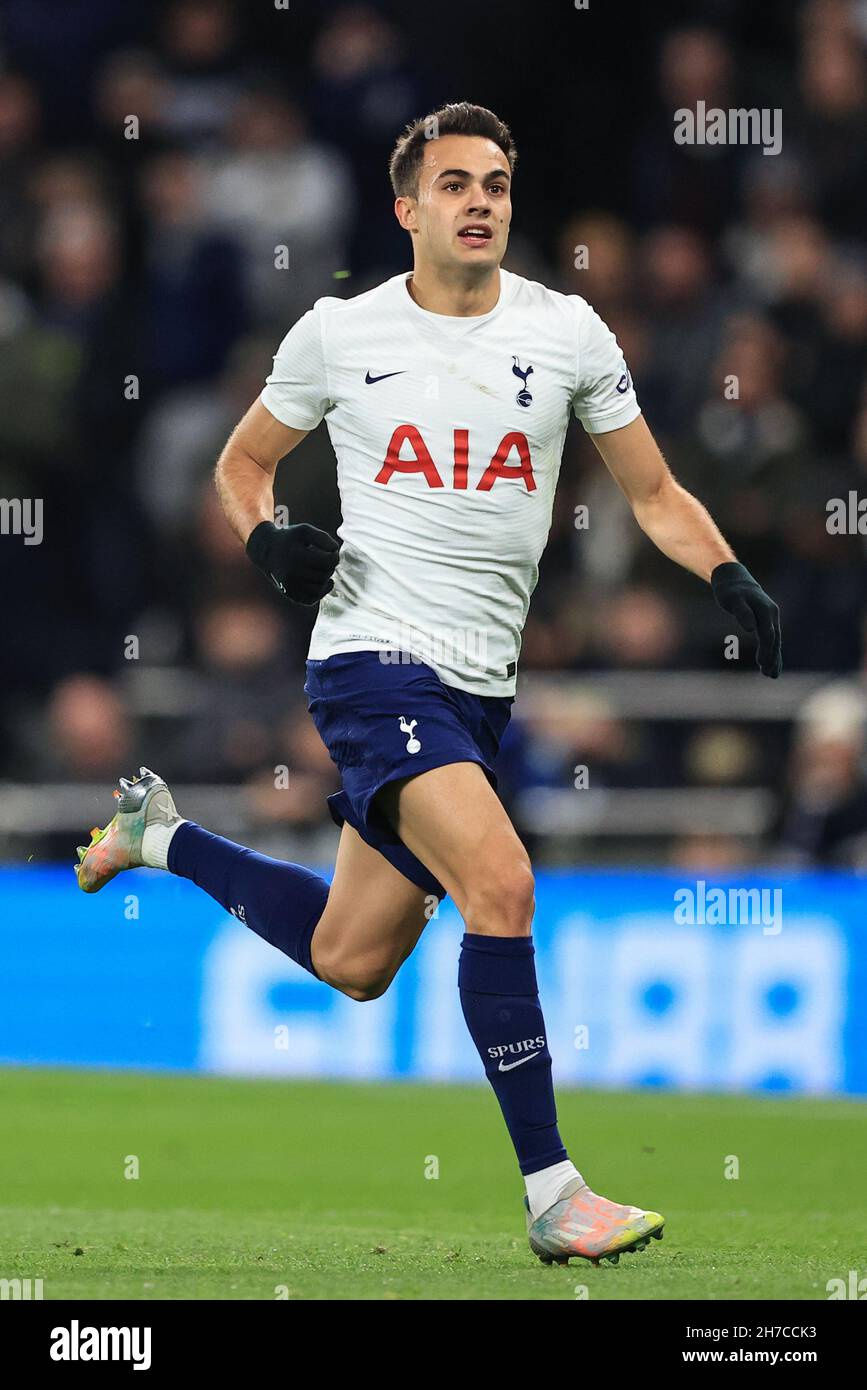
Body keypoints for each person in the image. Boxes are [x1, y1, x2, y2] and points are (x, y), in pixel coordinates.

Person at [75, 102, 781, 1267]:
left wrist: (728, 570)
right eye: (456, 184)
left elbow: (653, 494)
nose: (482, 202)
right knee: (501, 882)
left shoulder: (568, 335)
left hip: (479, 689)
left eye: (497, 183)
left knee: (355, 960)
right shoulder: (337, 333)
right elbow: (240, 467)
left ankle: (160, 837)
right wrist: (269, 542)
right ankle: (556, 1194)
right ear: (408, 209)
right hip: (370, 660)